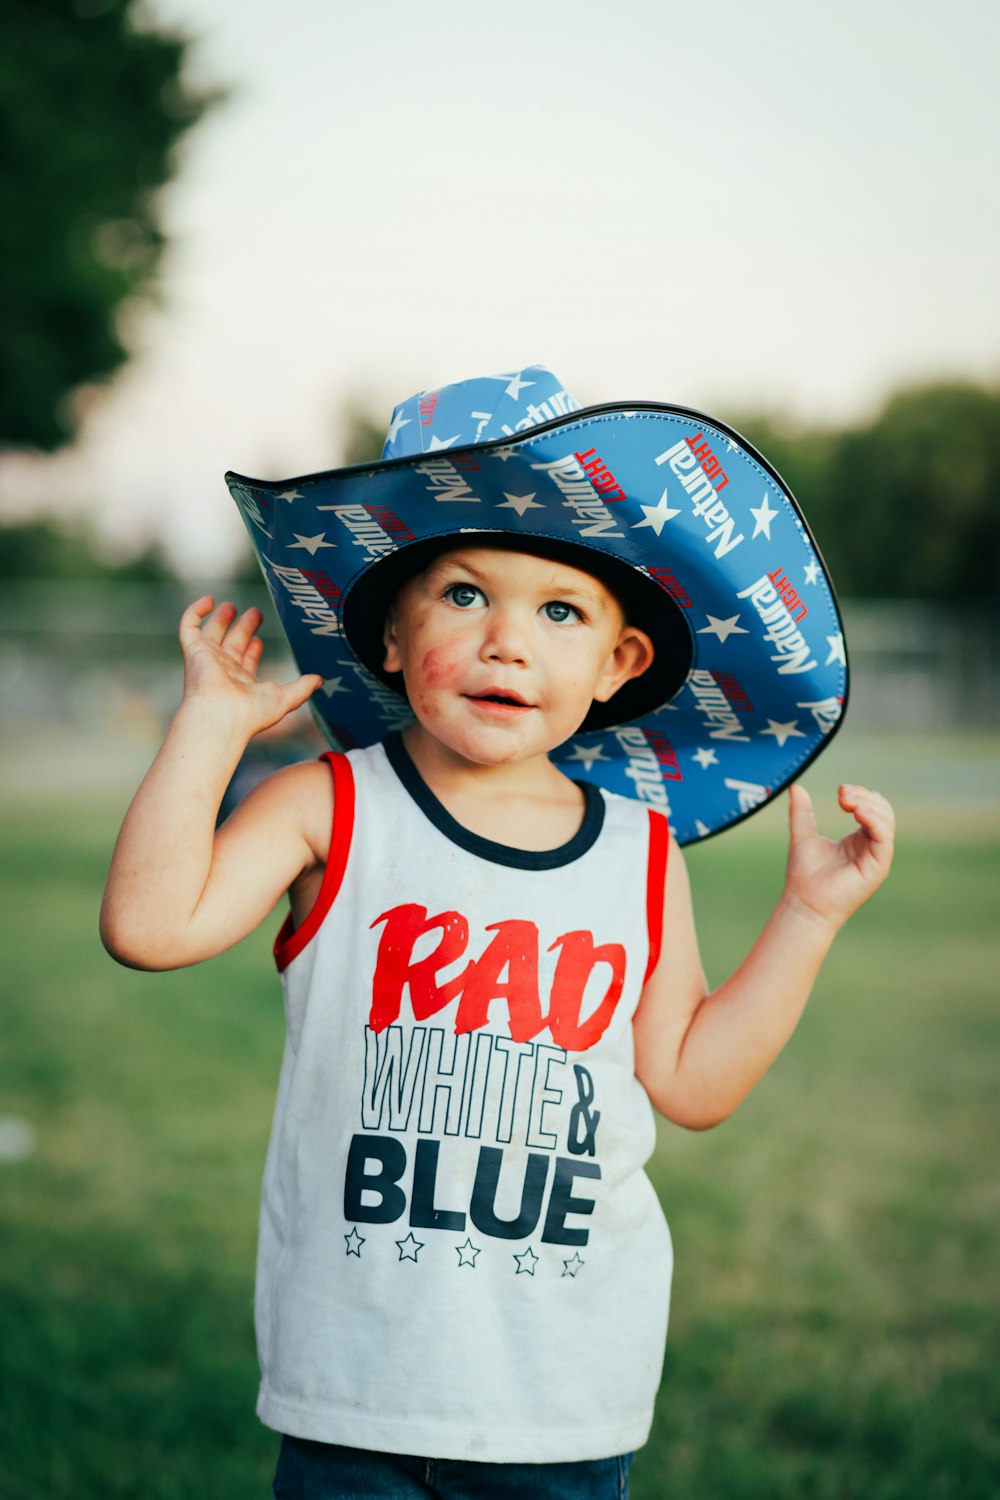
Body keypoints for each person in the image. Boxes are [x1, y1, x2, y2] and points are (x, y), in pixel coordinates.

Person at [100, 368, 894, 1499]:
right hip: (356, 1388)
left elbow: (693, 1081)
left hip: (565, 1392)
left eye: (559, 610)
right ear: (386, 635)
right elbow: (148, 925)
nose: (506, 642)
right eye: (464, 595)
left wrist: (809, 916)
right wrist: (210, 733)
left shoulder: (638, 852)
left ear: (621, 664)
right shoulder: (329, 805)